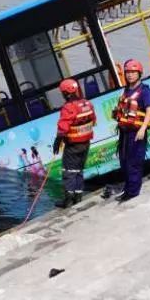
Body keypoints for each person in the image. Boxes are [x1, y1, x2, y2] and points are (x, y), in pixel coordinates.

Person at [111, 59, 150, 202]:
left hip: (136, 132)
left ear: (139, 73)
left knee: (134, 162)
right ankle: (128, 189)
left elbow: (149, 110)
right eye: (127, 72)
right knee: (124, 161)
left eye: (133, 72)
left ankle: (133, 192)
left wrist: (142, 129)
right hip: (124, 132)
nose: (130, 75)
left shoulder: (145, 91)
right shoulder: (126, 90)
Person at [52, 78, 96, 208]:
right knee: (79, 170)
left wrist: (57, 141)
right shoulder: (87, 103)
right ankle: (78, 196)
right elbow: (93, 120)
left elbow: (63, 127)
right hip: (86, 143)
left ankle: (68, 200)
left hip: (73, 146)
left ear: (65, 93)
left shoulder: (69, 107)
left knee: (69, 171)